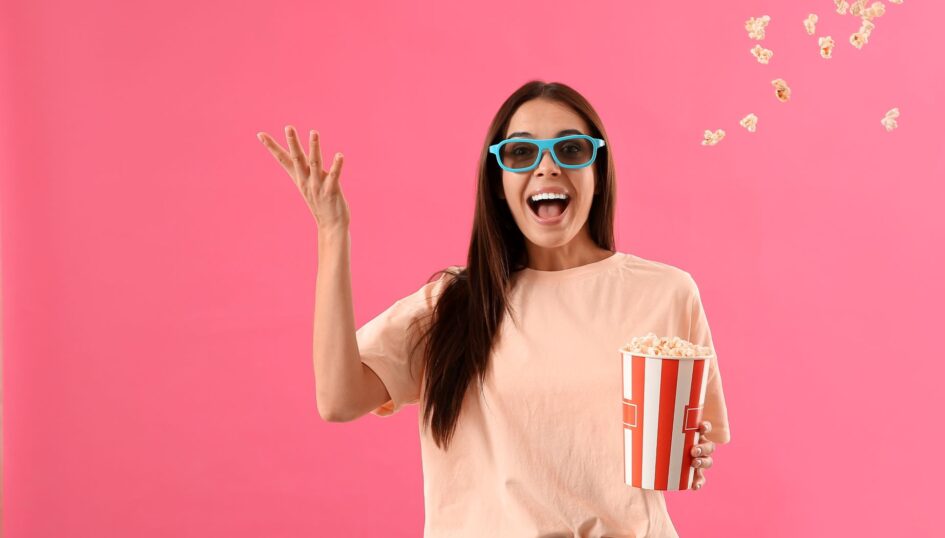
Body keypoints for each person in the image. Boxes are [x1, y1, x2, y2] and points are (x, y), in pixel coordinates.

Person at [257, 80, 732, 538]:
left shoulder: (666, 292)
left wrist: (693, 449)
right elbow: (338, 399)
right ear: (499, 182)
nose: (546, 167)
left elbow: (685, 440)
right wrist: (332, 233)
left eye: (571, 149)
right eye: (521, 153)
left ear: (598, 171)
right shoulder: (454, 302)